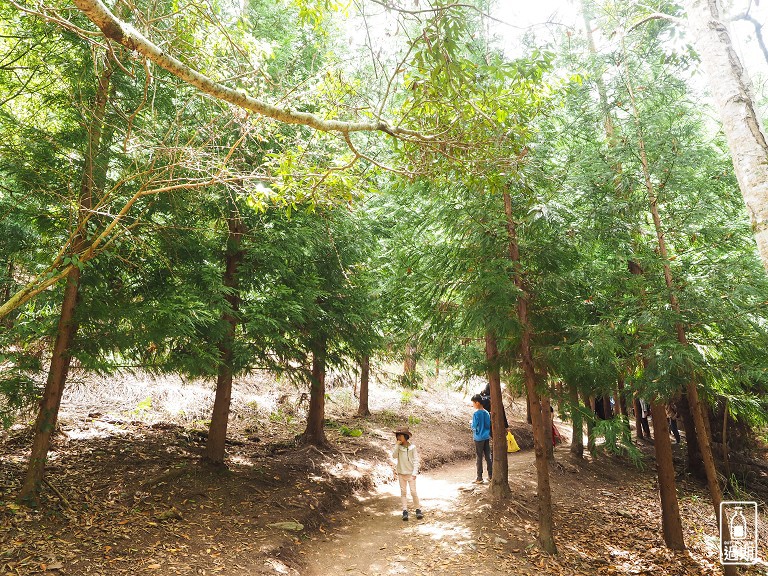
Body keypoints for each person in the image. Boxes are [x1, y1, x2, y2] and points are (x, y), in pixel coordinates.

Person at [392, 426, 422, 521]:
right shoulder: (398, 448)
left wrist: (414, 473)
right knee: (403, 492)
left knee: (413, 492)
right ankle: (405, 511)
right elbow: (394, 456)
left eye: (400, 436)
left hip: (410, 474)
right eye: (397, 436)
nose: (398, 438)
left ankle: (418, 509)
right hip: (401, 473)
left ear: (405, 436)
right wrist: (397, 445)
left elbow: (416, 460)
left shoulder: (413, 447)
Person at [471, 394, 492, 484]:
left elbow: (474, 426)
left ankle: (479, 477)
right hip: (486, 436)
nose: (473, 405)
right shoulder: (487, 413)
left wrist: (471, 424)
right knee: (488, 456)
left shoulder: (476, 414)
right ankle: (491, 476)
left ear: (478, 403)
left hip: (478, 438)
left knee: (479, 457)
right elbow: (488, 424)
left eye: (473, 403)